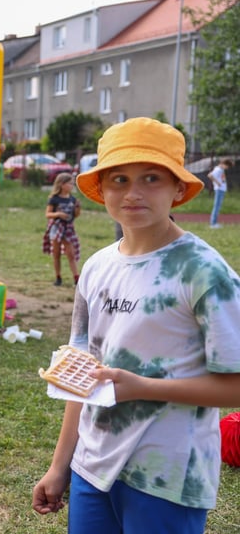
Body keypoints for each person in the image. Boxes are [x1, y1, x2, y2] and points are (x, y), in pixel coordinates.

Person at [32, 117, 240, 534]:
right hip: (92, 469)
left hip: (166, 476)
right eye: (119, 179)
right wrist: (61, 466)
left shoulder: (204, 273)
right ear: (102, 190)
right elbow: (82, 373)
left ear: (179, 188)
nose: (133, 192)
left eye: (151, 178)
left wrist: (143, 386)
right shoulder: (95, 268)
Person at [43, 172, 81, 286]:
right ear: (62, 184)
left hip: (68, 228)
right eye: (70, 183)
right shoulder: (54, 199)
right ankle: (58, 277)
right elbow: (48, 214)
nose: (72, 186)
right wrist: (58, 214)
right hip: (56, 228)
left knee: (71, 254)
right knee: (56, 253)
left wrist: (78, 208)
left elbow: (76, 215)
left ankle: (76, 278)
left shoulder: (73, 199)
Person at [207, 158, 233, 228]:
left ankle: (214, 223)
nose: (227, 168)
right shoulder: (218, 169)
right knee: (216, 206)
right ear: (224, 164)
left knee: (218, 206)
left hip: (221, 189)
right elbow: (210, 175)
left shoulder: (221, 169)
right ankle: (213, 223)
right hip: (219, 190)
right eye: (227, 166)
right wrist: (217, 183)